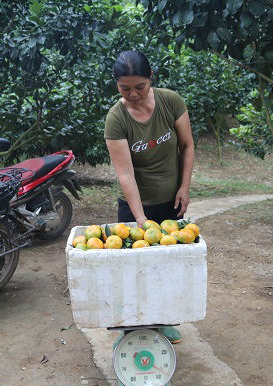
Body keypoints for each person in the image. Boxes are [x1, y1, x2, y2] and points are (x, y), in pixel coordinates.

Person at [104, 50, 195, 344]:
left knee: (167, 267)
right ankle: (129, 327)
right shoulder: (116, 120)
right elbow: (125, 174)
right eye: (124, 88)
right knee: (132, 271)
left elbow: (187, 146)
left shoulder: (171, 102)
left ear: (150, 79)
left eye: (139, 87)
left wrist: (184, 187)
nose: (132, 94)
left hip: (171, 202)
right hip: (134, 208)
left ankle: (163, 321)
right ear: (117, 86)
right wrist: (140, 218)